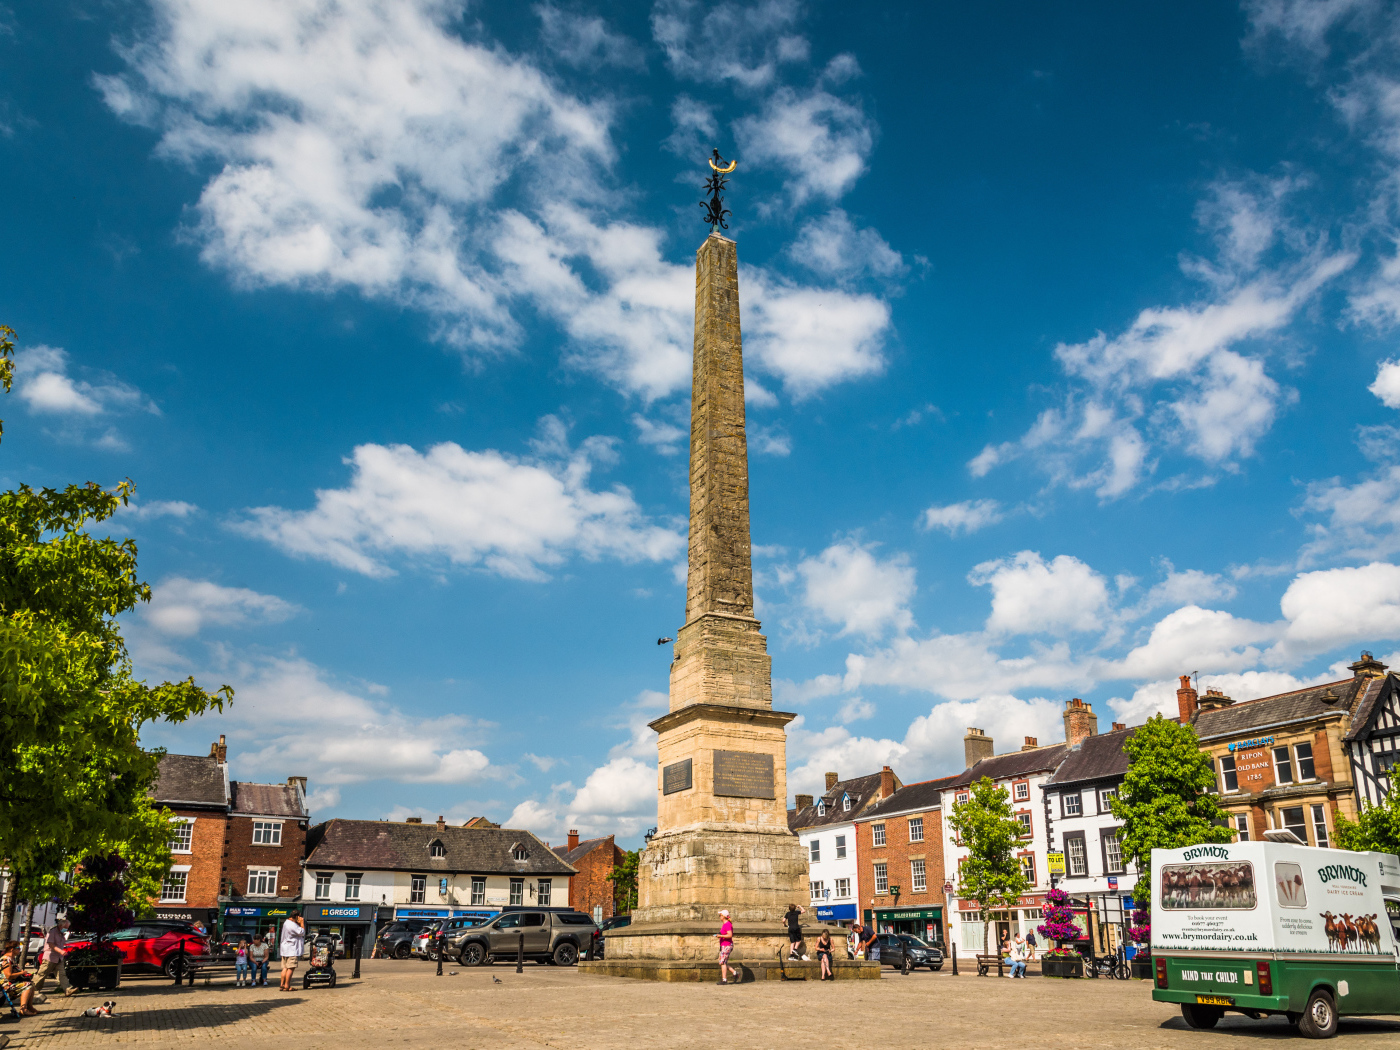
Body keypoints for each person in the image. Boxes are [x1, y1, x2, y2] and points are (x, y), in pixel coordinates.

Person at [32, 918, 74, 999]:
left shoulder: (61, 934)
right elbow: (51, 944)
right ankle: (32, 990)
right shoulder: (52, 932)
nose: (67, 929)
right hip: (50, 957)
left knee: (62, 974)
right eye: (66, 927)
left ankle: (67, 989)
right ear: (61, 926)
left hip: (59, 958)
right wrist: (60, 951)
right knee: (42, 974)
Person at [1, 941, 37, 1017]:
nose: (19, 950)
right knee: (28, 985)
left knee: (32, 984)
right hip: (6, 985)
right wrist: (22, 973)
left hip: (12, 982)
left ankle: (29, 1007)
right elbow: (8, 976)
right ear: (11, 949)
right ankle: (23, 1009)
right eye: (18, 948)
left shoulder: (12, 959)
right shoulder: (6, 960)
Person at [278, 912, 305, 991]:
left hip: (285, 949)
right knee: (290, 968)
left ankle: (282, 985)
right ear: (296, 916)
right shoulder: (292, 925)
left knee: (285, 968)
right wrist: (302, 923)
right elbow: (301, 932)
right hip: (292, 950)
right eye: (299, 917)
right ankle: (287, 985)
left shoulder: (286, 923)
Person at [715, 909, 735, 986]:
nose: (719, 916)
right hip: (724, 945)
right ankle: (735, 973)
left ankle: (724, 979)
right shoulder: (725, 924)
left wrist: (721, 936)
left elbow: (730, 935)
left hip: (727, 945)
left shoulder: (727, 924)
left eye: (720, 915)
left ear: (723, 916)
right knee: (723, 962)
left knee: (722, 962)